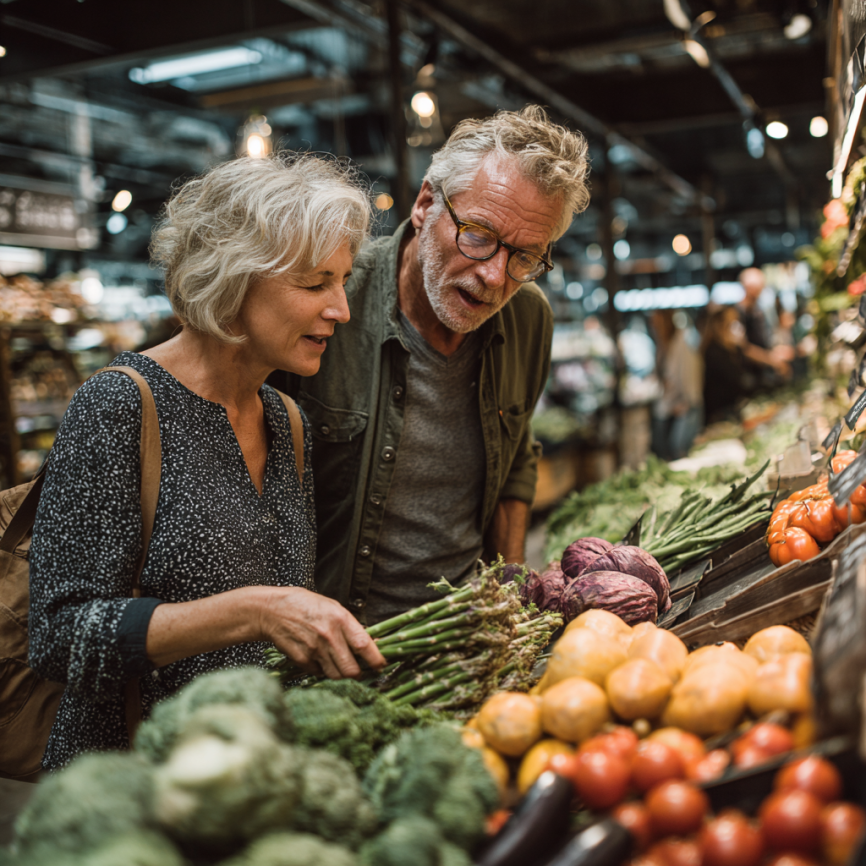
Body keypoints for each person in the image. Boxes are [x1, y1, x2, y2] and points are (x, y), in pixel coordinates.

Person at [28, 154, 385, 770]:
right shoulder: (119, 405)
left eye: (342, 282)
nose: (341, 310)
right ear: (232, 278)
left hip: (243, 778)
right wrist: (255, 610)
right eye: (314, 283)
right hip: (135, 785)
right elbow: (60, 638)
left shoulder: (286, 420)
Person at [289, 106, 591, 625]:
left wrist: (508, 585)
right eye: (478, 234)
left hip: (466, 637)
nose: (495, 277)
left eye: (525, 257)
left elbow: (516, 456)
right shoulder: (331, 303)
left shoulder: (528, 318)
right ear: (427, 203)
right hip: (334, 644)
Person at [650, 309, 703, 460]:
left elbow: (688, 376)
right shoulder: (662, 346)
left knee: (679, 449)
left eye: (657, 323)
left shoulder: (681, 344)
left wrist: (687, 402)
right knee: (664, 450)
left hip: (684, 406)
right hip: (667, 406)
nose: (654, 327)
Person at [738, 267, 793, 386]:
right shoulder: (737, 313)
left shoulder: (758, 310)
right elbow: (744, 347)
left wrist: (777, 351)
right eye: (757, 289)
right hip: (748, 375)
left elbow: (764, 338)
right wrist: (771, 360)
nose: (759, 292)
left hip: (763, 371)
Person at [702, 305, 751, 423]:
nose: (737, 324)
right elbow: (735, 379)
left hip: (734, 408)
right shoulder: (714, 351)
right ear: (721, 324)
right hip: (720, 414)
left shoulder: (733, 348)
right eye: (733, 322)